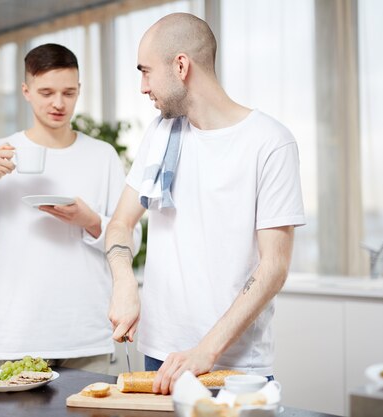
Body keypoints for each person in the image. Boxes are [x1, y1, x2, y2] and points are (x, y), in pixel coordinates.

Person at [105, 13, 305, 394]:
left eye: (146, 71)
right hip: (158, 355)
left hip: (233, 366)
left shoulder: (270, 142)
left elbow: (274, 267)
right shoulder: (161, 133)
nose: (142, 87)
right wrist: (124, 281)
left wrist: (204, 352)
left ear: (181, 65)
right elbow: (120, 224)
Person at [0, 43, 141, 374]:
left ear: (79, 91)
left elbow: (131, 238)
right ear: (26, 91)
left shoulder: (102, 156)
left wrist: (90, 221)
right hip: (20, 336)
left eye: (68, 92)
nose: (59, 103)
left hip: (87, 335)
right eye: (46, 92)